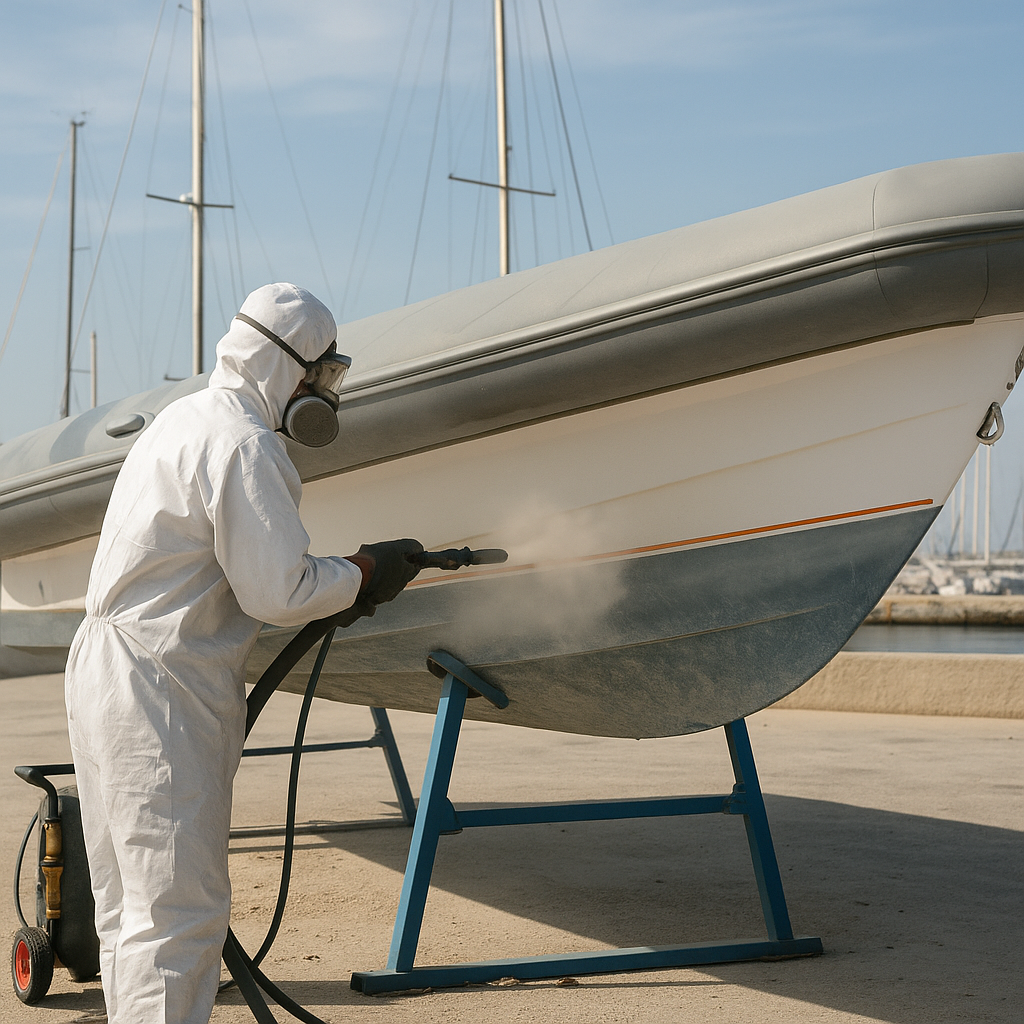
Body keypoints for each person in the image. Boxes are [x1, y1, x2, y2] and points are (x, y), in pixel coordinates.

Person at [64, 283, 422, 1024]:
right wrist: (364, 570)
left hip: (107, 666)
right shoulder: (242, 441)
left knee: (128, 906)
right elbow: (280, 591)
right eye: (322, 376)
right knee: (178, 915)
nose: (323, 394)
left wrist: (351, 575)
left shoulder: (183, 417)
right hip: (158, 685)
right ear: (290, 369)